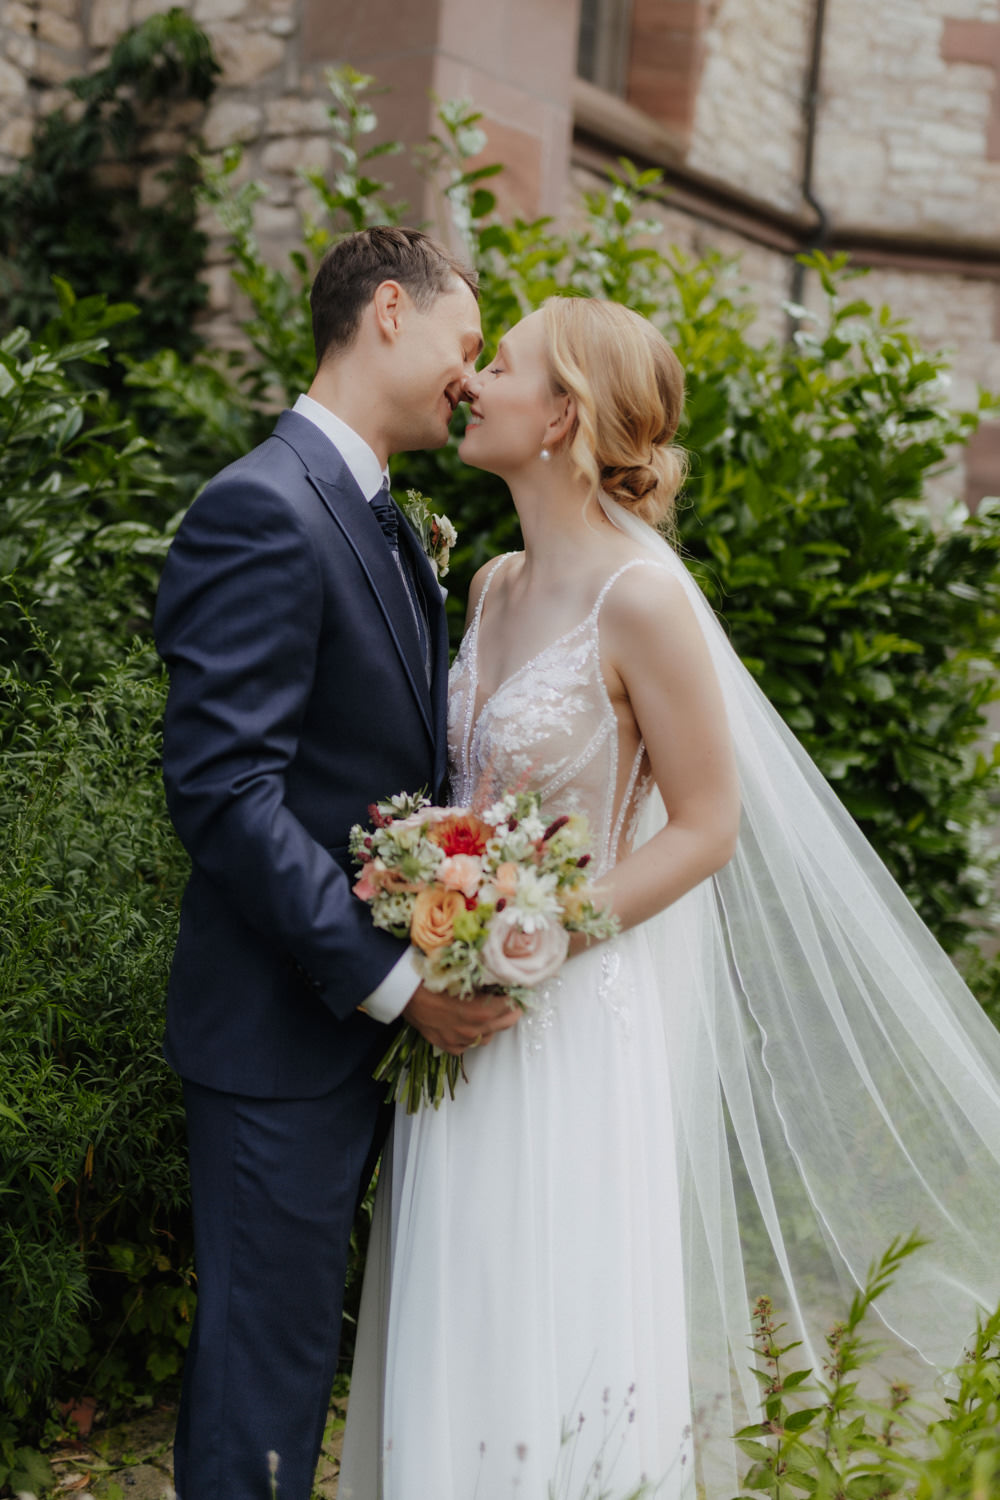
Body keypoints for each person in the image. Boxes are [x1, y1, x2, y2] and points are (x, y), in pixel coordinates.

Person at [337, 296, 1000, 1500]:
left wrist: (537, 935)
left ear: (563, 418)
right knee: (462, 1285)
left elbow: (706, 824)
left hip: (571, 1018)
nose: (474, 381)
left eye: (505, 366)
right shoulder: (489, 585)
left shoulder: (642, 601)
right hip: (460, 1011)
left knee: (550, 1294)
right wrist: (432, 886)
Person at [154, 226, 518, 1500]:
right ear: (384, 313)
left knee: (302, 1365)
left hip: (347, 1047)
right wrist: (393, 979)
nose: (469, 380)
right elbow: (225, 791)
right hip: (278, 1036)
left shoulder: (381, 520)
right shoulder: (262, 506)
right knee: (263, 1374)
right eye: (463, 347)